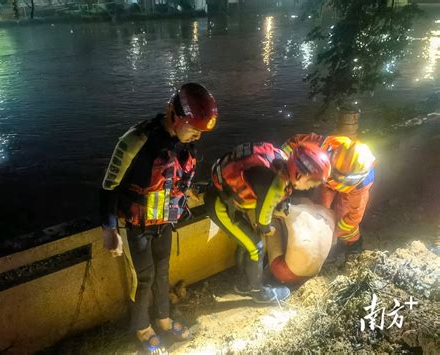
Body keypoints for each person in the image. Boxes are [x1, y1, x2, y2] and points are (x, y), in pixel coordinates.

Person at [100, 83, 218, 353]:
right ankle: (141, 327)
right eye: (193, 129)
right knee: (145, 278)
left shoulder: (186, 143)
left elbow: (178, 177)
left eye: (201, 132)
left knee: (163, 273)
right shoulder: (136, 140)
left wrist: (188, 194)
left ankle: (164, 320)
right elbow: (108, 187)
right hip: (138, 224)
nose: (197, 136)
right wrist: (109, 229)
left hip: (165, 220)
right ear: (173, 114)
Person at [205, 141, 331, 303]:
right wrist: (268, 228)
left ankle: (244, 281)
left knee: (248, 241)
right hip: (220, 206)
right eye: (312, 182)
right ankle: (258, 292)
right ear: (299, 174)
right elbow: (263, 220)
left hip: (223, 193)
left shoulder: (280, 158)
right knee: (256, 247)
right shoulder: (275, 185)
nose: (311, 187)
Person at [281, 134, 375, 257]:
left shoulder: (361, 186)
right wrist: (280, 161)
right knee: (319, 209)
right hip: (325, 182)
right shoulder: (323, 146)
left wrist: (332, 233)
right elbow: (294, 143)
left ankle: (354, 244)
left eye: (338, 178)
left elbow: (354, 217)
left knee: (343, 218)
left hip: (349, 191)